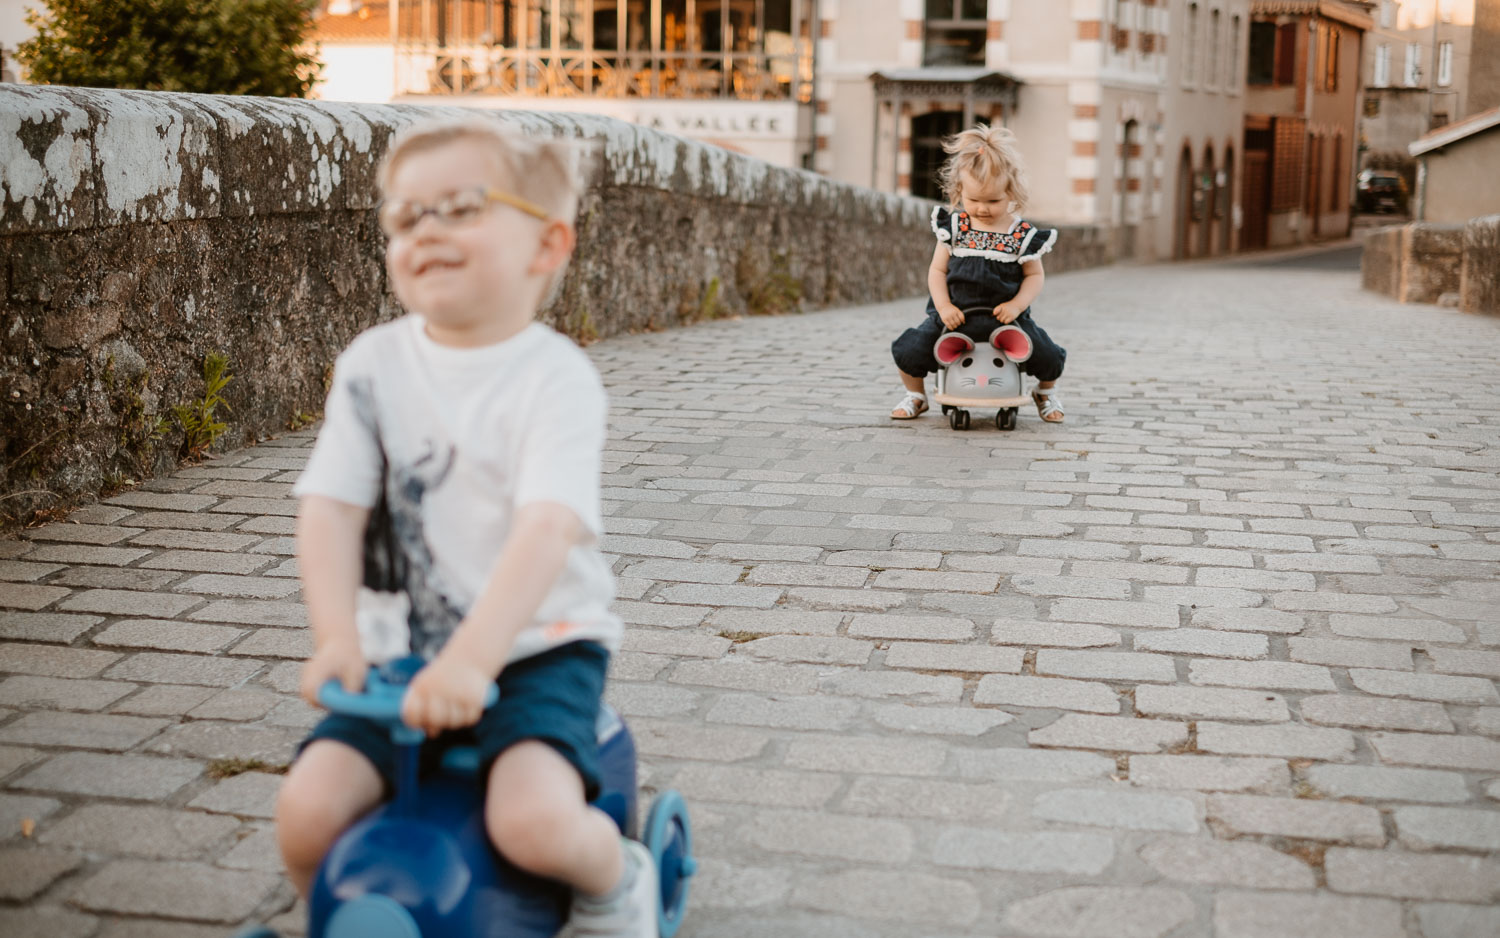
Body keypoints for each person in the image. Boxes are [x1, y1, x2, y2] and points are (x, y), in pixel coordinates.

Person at [274, 119, 657, 937]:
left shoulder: (555, 378)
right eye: (406, 216)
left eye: (459, 206)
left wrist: (475, 660)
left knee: (532, 823)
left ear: (547, 244)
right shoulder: (371, 364)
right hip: (398, 660)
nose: (427, 230)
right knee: (306, 812)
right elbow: (331, 506)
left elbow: (547, 525)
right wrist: (336, 637)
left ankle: (617, 882)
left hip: (533, 649)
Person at [889, 124, 1067, 423]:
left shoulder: (1020, 234)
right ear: (959, 192)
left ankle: (1045, 392)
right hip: (955, 315)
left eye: (993, 201)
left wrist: (1017, 305)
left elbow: (1034, 276)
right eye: (974, 200)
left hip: (1005, 317)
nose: (982, 209)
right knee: (910, 350)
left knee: (1048, 355)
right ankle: (916, 395)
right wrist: (944, 306)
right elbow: (937, 270)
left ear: (1011, 191)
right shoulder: (954, 229)